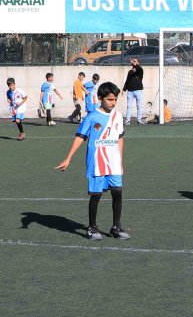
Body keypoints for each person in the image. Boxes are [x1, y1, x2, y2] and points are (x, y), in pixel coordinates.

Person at [55, 82, 130, 241]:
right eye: (110, 99)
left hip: (114, 162)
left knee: (117, 192)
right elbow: (80, 137)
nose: (113, 102)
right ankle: (92, 228)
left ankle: (116, 227)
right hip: (97, 162)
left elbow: (120, 139)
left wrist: (121, 161)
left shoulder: (117, 116)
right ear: (100, 98)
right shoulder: (92, 117)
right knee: (96, 195)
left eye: (115, 99)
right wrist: (68, 158)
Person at [122, 57, 146, 125]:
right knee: (129, 106)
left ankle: (139, 120)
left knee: (139, 106)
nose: (133, 62)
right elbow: (127, 81)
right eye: (133, 61)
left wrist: (136, 65)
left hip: (138, 90)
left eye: (135, 61)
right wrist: (124, 89)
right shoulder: (130, 71)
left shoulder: (140, 70)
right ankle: (127, 120)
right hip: (130, 91)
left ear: (138, 63)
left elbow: (139, 69)